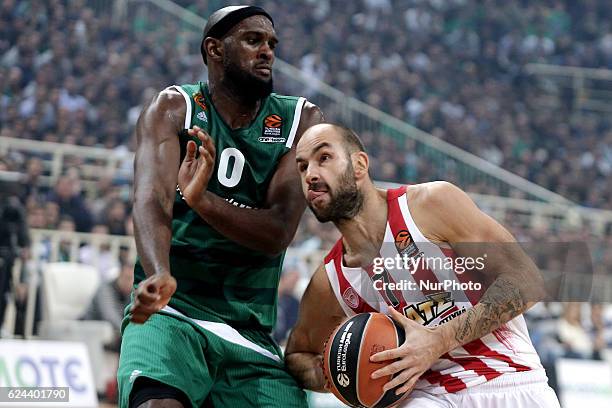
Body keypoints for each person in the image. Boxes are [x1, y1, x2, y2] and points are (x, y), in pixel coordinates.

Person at [117, 5, 323, 408]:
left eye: (271, 44)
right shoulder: (173, 108)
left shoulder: (301, 119)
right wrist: (159, 273)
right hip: (173, 312)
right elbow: (150, 200)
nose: (267, 51)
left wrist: (201, 200)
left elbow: (278, 232)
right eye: (253, 40)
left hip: (247, 329)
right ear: (214, 49)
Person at [284, 124, 560, 407]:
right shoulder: (330, 281)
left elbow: (526, 281)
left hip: (509, 382)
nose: (311, 175)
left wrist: (439, 341)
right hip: (425, 399)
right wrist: (342, 374)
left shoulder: (431, 204)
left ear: (359, 165)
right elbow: (297, 356)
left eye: (324, 157)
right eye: (302, 167)